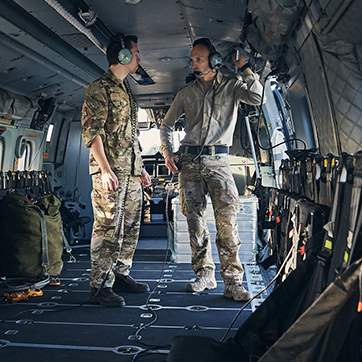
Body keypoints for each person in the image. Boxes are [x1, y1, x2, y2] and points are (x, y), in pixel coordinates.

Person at [160, 38, 263, 301]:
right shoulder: (186, 93)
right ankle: (204, 275)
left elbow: (257, 96)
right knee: (195, 222)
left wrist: (247, 68)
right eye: (192, 58)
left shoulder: (232, 86)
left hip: (219, 163)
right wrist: (167, 153)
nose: (193, 62)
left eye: (199, 58)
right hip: (190, 164)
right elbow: (166, 126)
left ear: (214, 60)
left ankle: (233, 282)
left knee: (226, 224)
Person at [81, 34, 151, 307]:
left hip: (130, 172)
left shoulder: (125, 90)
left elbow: (130, 136)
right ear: (122, 56)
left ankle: (120, 273)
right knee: (107, 229)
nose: (138, 58)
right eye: (135, 53)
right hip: (110, 173)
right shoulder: (100, 88)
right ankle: (99, 286)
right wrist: (105, 170)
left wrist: (141, 168)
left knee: (130, 227)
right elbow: (92, 133)